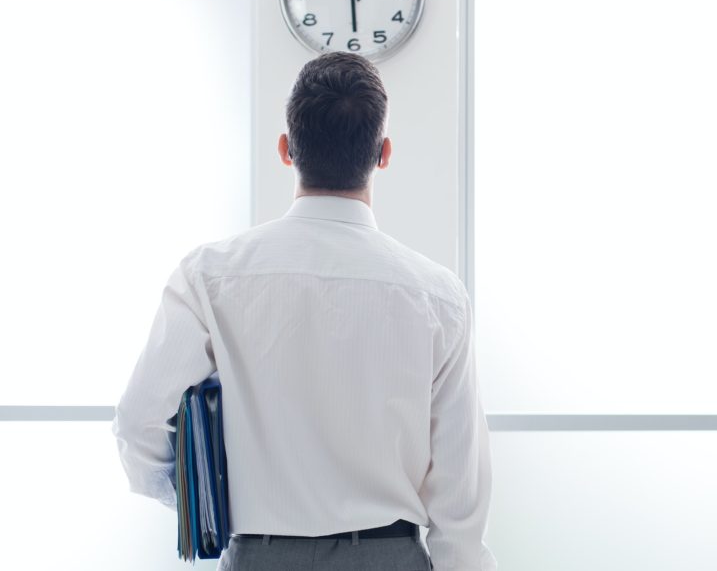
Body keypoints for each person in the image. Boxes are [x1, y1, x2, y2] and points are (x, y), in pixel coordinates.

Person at [111, 51, 498, 571]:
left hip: (259, 556)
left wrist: (200, 501)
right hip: (390, 557)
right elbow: (460, 494)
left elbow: (139, 426)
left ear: (285, 149)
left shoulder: (210, 275)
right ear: (383, 154)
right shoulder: (439, 297)